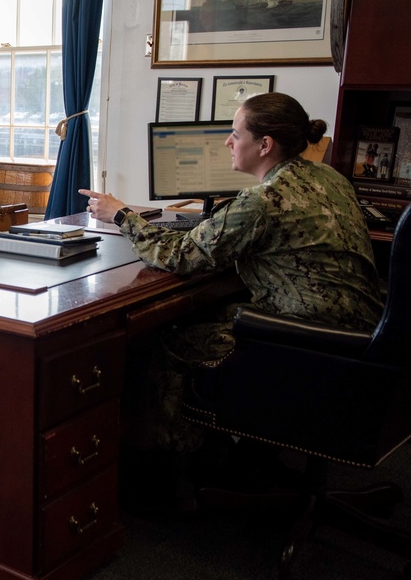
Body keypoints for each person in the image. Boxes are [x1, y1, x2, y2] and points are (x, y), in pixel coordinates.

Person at [80, 93, 384, 509]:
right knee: (214, 312)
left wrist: (120, 214)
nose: (227, 142)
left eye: (235, 134)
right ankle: (235, 449)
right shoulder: (329, 178)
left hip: (313, 345)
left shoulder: (263, 202)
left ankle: (174, 474)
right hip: (365, 338)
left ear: (265, 145)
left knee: (169, 339)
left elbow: (179, 256)